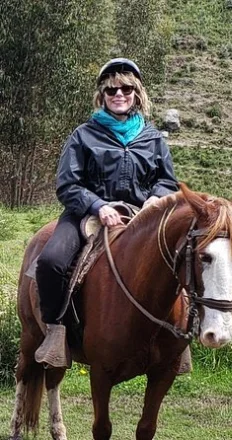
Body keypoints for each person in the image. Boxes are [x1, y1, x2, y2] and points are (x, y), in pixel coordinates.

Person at [34, 58, 179, 368]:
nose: (119, 94)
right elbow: (68, 184)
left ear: (136, 93)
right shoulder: (83, 135)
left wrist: (155, 199)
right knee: (51, 262)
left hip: (141, 217)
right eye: (111, 89)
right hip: (85, 214)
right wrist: (98, 206)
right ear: (102, 95)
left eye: (126, 88)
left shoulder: (153, 138)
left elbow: (167, 181)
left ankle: (177, 340)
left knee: (182, 257)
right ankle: (56, 332)